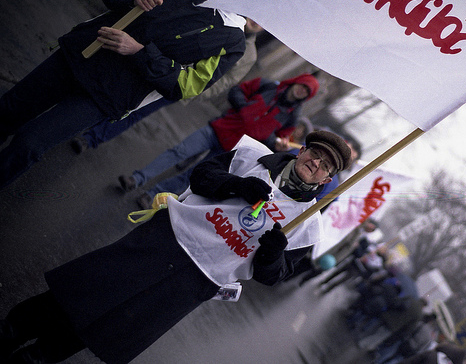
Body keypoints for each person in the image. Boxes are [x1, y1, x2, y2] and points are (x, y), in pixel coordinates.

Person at [0, 130, 353, 364]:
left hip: (192, 282)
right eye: (315, 153)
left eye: (325, 165)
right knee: (84, 290)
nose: (316, 163)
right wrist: (236, 185)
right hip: (165, 241)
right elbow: (201, 176)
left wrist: (274, 251)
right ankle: (12, 329)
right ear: (303, 149)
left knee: (108, 323)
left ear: (326, 179)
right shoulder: (250, 157)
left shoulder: (307, 226)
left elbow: (271, 277)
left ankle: (37, 358)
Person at [0, 0, 281, 188]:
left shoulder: (232, 41)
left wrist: (138, 51)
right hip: (83, 53)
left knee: (29, 144)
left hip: (109, 95)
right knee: (11, 108)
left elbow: (186, 86)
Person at [118, 73, 319, 209]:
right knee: (178, 152)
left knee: (191, 174)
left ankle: (152, 194)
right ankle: (136, 179)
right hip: (219, 128)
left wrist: (275, 143)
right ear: (296, 81)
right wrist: (245, 109)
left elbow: (275, 141)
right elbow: (237, 91)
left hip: (231, 149)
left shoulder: (292, 117)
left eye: (306, 92)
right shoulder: (267, 85)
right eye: (303, 86)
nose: (301, 91)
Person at [70, 19, 264, 153]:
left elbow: (225, 82)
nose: (257, 22)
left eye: (263, 24)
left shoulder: (250, 54)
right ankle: (79, 121)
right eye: (258, 16)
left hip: (178, 85)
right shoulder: (226, 22)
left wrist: (191, 92)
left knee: (136, 111)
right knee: (119, 88)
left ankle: (90, 138)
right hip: (161, 60)